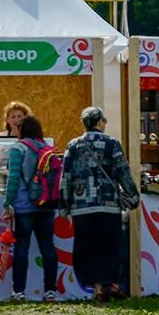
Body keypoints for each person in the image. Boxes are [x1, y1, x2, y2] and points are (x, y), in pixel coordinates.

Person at [60, 106, 138, 302]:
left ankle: (97, 287)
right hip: (108, 204)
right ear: (100, 122)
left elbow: (66, 177)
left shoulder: (73, 145)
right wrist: (133, 196)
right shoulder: (112, 143)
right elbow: (123, 172)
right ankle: (111, 283)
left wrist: (64, 204)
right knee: (109, 246)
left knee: (87, 248)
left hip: (82, 206)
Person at [2, 114, 58, 302]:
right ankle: (50, 291)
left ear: (21, 130)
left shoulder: (18, 149)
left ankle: (19, 291)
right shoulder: (48, 149)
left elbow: (13, 178)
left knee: (22, 248)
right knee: (48, 247)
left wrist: (8, 202)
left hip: (24, 206)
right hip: (47, 205)